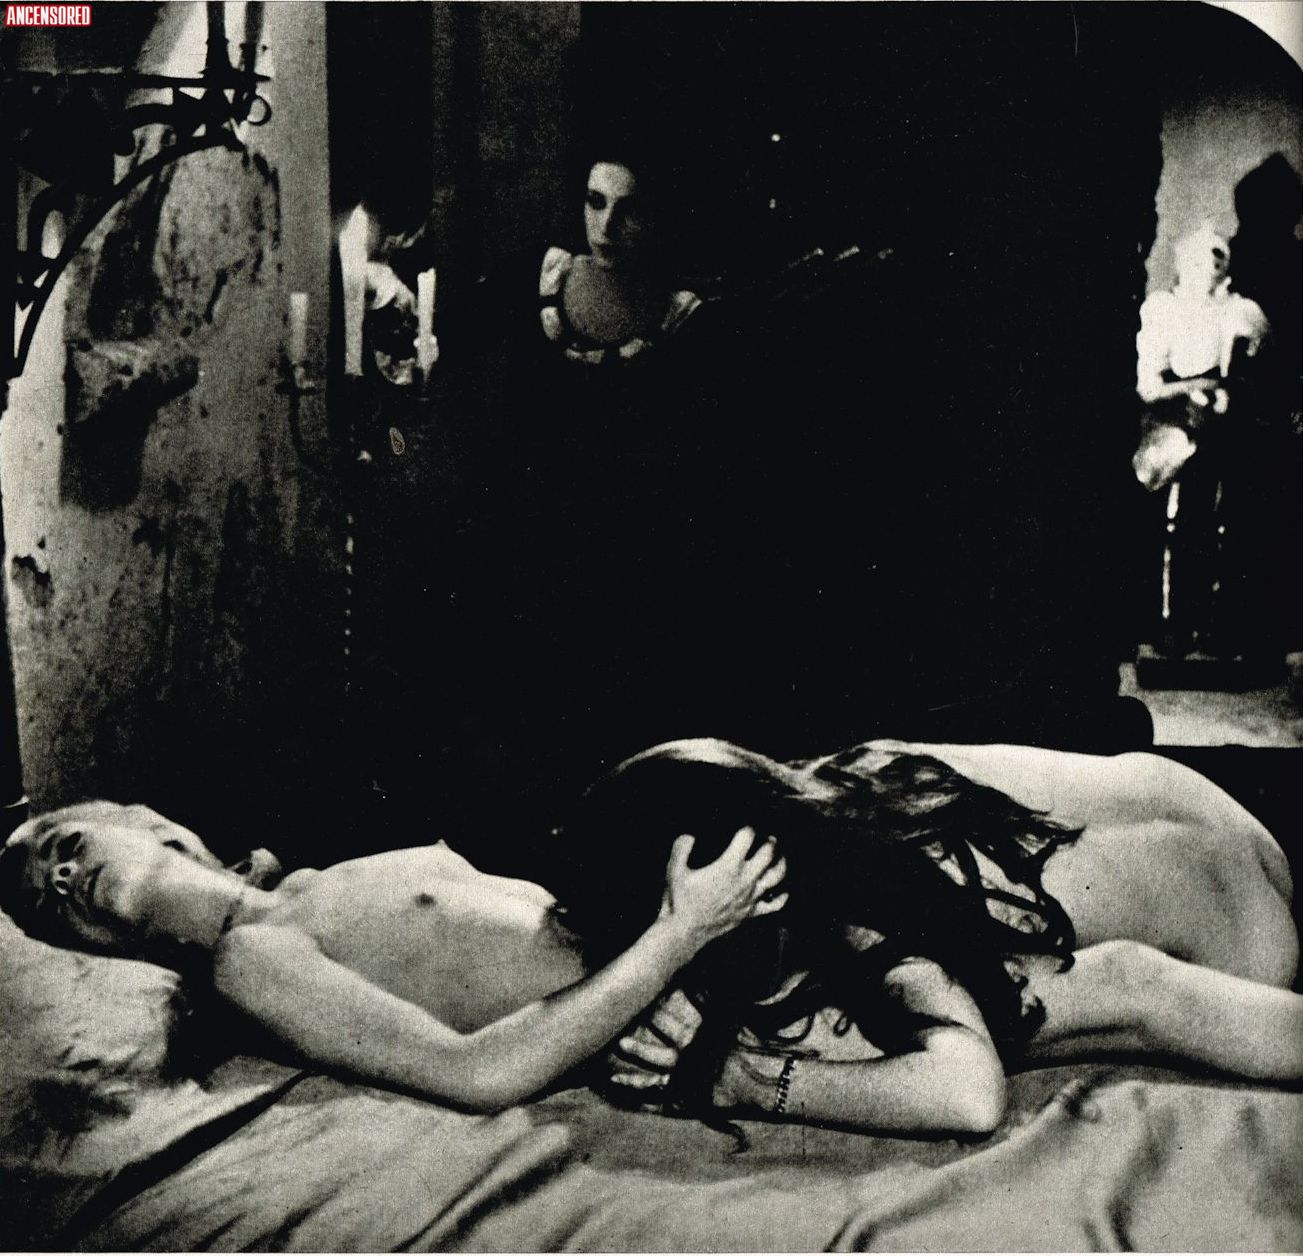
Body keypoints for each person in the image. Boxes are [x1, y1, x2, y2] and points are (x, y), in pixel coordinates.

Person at [547, 737, 1302, 1136]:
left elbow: (969, 1097)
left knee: (1011, 1010)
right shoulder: (832, 780)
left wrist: (745, 1081)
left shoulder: (860, 914)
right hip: (1203, 800)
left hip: (1249, 937)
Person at [0, 802, 786, 1112]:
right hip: (683, 1003)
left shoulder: (312, 883)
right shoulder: (251, 958)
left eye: (66, 847)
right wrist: (677, 936)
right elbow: (475, 1075)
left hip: (705, 949)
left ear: (146, 823)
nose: (62, 879)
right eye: (45, 904)